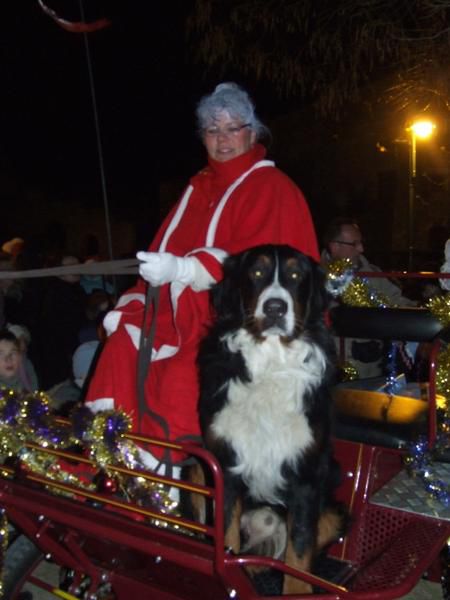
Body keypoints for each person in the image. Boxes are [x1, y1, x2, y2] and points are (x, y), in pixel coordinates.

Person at [85, 82, 319, 474]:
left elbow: (254, 269)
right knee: (120, 345)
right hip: (182, 314)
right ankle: (110, 454)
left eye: (232, 127)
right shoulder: (198, 186)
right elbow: (166, 250)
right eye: (213, 129)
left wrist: (185, 269)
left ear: (253, 132)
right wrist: (139, 297)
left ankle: (168, 474)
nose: (222, 138)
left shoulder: (272, 188)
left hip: (246, 326)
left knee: (183, 375)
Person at [321, 217, 416, 378]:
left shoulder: (372, 273)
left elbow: (395, 300)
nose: (361, 249)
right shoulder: (317, 277)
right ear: (335, 246)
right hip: (331, 369)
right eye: (354, 244)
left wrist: (421, 311)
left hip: (372, 368)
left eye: (361, 243)